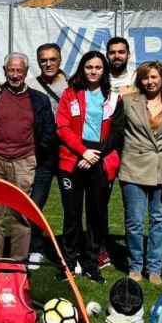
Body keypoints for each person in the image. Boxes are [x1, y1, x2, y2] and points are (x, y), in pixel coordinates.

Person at [0, 52, 54, 264]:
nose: (15, 75)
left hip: (24, 161)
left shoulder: (39, 99)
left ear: (26, 73)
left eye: (19, 71)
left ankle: (18, 262)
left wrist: (35, 151)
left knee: (21, 213)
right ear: (5, 71)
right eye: (11, 70)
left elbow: (48, 131)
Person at [55, 51, 125, 283]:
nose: (93, 71)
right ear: (82, 69)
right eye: (88, 67)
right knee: (72, 214)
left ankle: (91, 262)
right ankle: (69, 261)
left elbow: (116, 132)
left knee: (97, 214)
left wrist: (95, 155)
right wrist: (82, 152)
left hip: (100, 158)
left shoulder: (113, 97)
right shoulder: (70, 93)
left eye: (98, 67)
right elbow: (62, 127)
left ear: (104, 71)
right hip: (73, 157)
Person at [118, 61, 162, 285]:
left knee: (159, 220)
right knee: (134, 221)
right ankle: (135, 266)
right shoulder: (128, 101)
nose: (150, 82)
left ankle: (154, 268)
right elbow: (116, 130)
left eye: (154, 77)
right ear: (140, 81)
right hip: (133, 167)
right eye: (145, 78)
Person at [25, 43, 67, 266]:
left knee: (71, 206)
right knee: (35, 202)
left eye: (52, 59)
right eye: (43, 60)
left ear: (60, 60)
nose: (48, 63)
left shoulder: (73, 85)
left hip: (68, 154)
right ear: (38, 62)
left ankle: (71, 251)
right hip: (41, 154)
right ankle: (35, 248)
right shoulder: (31, 85)